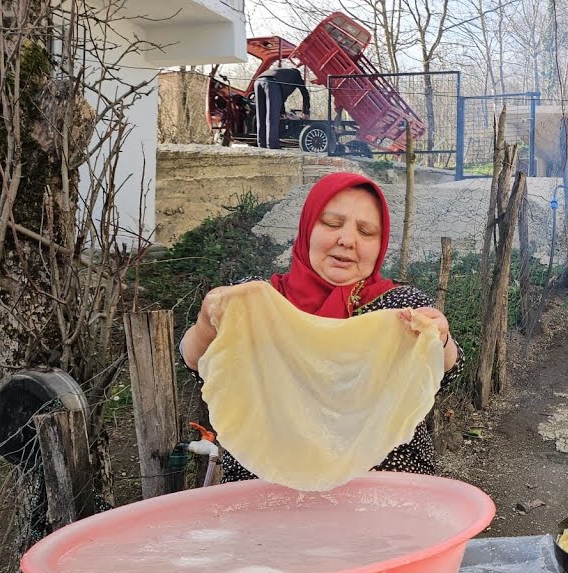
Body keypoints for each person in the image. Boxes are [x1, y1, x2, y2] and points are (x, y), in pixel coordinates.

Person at [180, 172, 462, 479]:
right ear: (307, 227)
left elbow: (445, 372)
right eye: (331, 223)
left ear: (380, 245)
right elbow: (196, 364)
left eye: (366, 232)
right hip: (268, 487)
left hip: (384, 490)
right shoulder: (257, 300)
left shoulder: (399, 306)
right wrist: (208, 321)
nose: (347, 240)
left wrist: (440, 338)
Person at [254, 65, 311, 150]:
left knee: (261, 115)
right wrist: (306, 112)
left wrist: (283, 112)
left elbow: (280, 99)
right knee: (272, 117)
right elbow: (305, 94)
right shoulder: (296, 75)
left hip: (258, 81)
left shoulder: (283, 74)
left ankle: (261, 143)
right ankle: (272, 145)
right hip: (272, 83)